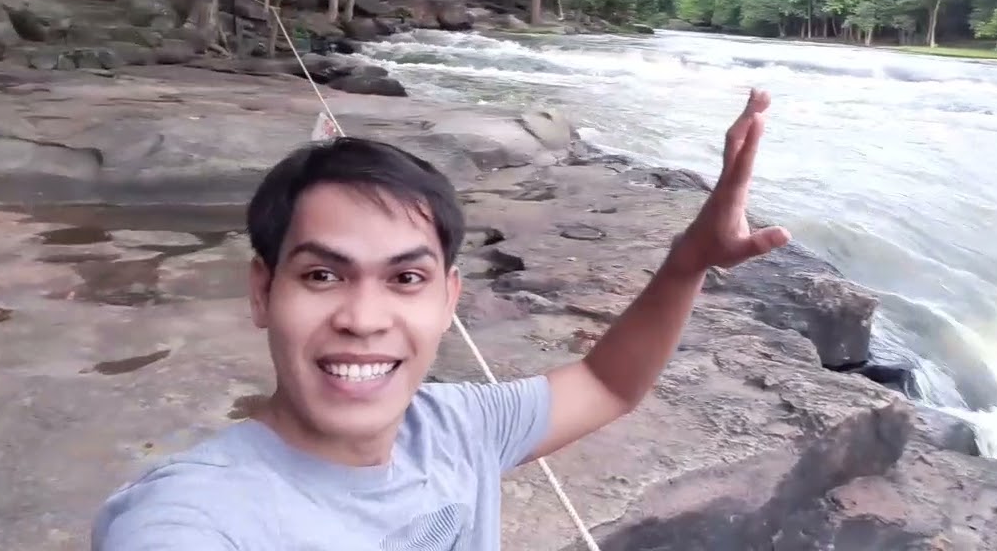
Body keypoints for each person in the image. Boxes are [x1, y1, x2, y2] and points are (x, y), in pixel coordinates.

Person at [91, 89, 790, 550]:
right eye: (323, 275)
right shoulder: (196, 519)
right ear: (262, 292)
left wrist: (687, 260)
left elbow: (608, 384)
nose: (364, 318)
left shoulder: (458, 429)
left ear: (448, 298)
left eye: (405, 279)